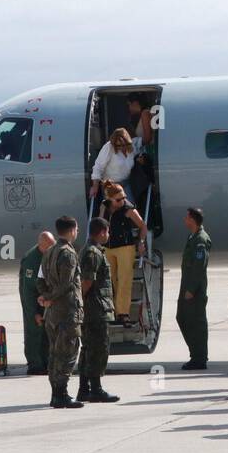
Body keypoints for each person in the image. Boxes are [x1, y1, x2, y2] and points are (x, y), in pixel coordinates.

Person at [37, 215, 84, 409]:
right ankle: (62, 394)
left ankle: (55, 393)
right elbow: (66, 285)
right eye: (77, 229)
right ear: (72, 230)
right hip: (67, 312)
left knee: (54, 353)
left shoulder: (48, 252)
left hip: (51, 314)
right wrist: (50, 297)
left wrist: (45, 296)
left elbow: (39, 281)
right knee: (68, 352)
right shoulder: (68, 254)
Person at [77, 217, 119, 404]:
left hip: (93, 308)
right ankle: (95, 389)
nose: (108, 235)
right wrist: (82, 302)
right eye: (107, 232)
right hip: (95, 309)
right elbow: (86, 282)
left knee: (88, 349)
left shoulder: (91, 250)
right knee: (97, 348)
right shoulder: (93, 253)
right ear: (102, 232)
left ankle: (84, 389)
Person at [100, 181, 148, 326]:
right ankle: (113, 311)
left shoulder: (128, 209)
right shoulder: (104, 206)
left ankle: (123, 313)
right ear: (109, 198)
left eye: (123, 198)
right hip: (108, 247)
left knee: (124, 280)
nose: (122, 201)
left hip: (125, 247)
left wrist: (141, 241)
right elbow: (100, 223)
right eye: (118, 199)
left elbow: (143, 226)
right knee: (111, 280)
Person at [176, 207, 211, 370]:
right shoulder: (193, 237)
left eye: (187, 217)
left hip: (194, 288)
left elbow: (199, 266)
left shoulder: (200, 239)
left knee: (197, 322)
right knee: (182, 317)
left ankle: (199, 357)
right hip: (187, 285)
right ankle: (196, 353)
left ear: (193, 219)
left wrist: (191, 289)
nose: (184, 219)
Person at [19, 232, 55, 375]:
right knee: (34, 329)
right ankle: (34, 364)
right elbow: (27, 290)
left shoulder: (48, 254)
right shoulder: (31, 260)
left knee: (46, 330)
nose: (53, 247)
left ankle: (46, 361)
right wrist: (33, 312)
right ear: (42, 245)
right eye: (50, 245)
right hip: (32, 299)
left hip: (44, 297)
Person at [90, 129, 138, 207]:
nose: (121, 147)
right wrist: (95, 186)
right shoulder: (108, 147)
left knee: (131, 208)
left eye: (123, 145)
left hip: (125, 184)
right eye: (118, 145)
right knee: (114, 209)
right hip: (111, 186)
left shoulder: (131, 148)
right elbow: (98, 167)